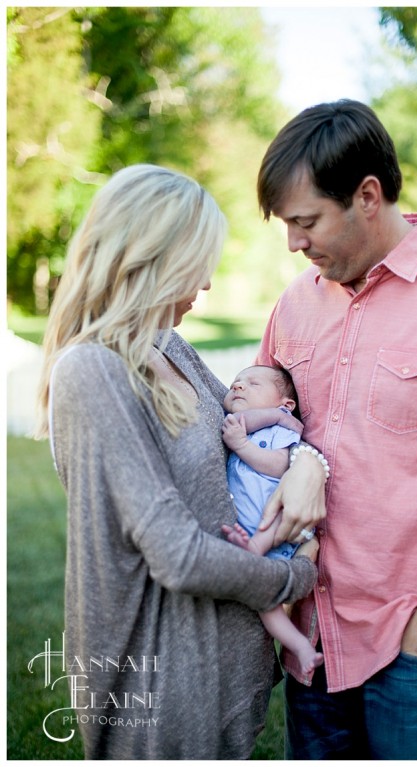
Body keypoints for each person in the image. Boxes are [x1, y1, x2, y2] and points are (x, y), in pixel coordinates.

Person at [36, 165, 328, 759]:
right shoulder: (92, 372)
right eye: (199, 262)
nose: (208, 285)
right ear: (153, 258)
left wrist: (308, 468)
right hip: (162, 676)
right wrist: (294, 576)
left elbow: (251, 431)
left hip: (223, 659)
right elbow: (175, 552)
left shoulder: (171, 348)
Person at [251, 99, 417, 759]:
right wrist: (306, 461)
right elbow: (262, 426)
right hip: (312, 631)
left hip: (415, 637)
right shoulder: (294, 304)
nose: (294, 243)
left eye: (305, 221)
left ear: (368, 195)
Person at [220, 364, 325, 676]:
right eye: (236, 382)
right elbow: (238, 417)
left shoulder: (282, 431)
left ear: (286, 404)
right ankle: (302, 648)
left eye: (252, 383)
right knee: (266, 604)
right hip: (256, 532)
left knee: (275, 517)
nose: (239, 386)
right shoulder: (246, 426)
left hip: (283, 526)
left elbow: (279, 466)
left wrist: (243, 444)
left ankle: (253, 546)